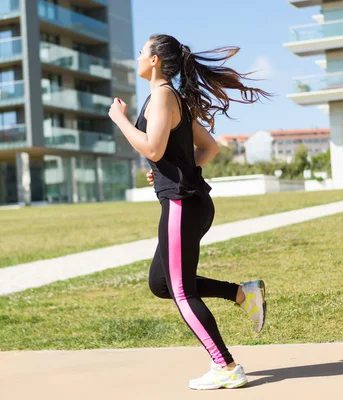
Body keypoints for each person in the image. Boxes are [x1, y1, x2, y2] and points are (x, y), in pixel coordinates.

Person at [108, 34, 272, 390]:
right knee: (161, 283)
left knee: (181, 291)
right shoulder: (168, 97)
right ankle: (242, 295)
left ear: (154, 61)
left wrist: (120, 121)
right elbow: (208, 147)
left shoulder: (164, 95)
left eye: (141, 52)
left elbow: (152, 147)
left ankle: (225, 365)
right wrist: (173, 169)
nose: (137, 56)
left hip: (183, 205)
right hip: (190, 202)